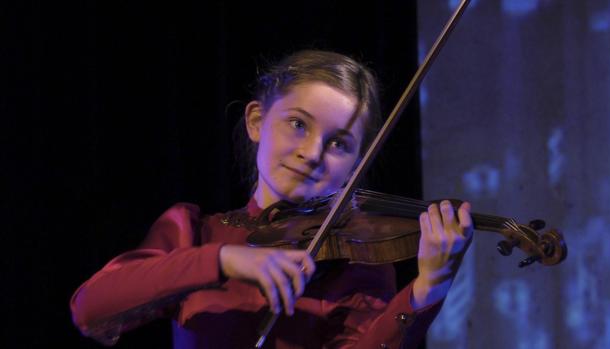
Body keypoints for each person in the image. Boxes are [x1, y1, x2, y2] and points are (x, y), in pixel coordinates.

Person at [70, 50, 473, 348]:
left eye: (338, 143)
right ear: (257, 122)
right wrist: (223, 259)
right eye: (298, 124)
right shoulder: (195, 231)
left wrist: (426, 291)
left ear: (355, 164)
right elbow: (90, 307)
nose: (312, 153)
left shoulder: (357, 264)